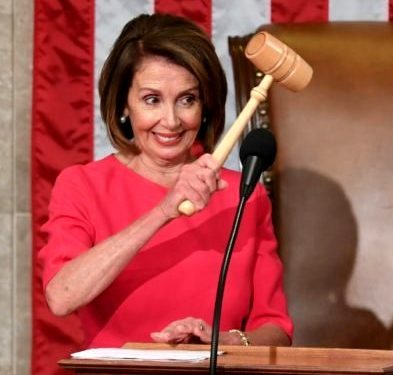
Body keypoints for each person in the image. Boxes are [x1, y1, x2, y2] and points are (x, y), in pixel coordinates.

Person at [38, 13, 292, 349]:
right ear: (124, 104)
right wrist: (163, 210)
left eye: (187, 99)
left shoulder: (245, 195)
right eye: (152, 99)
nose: (171, 121)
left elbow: (276, 329)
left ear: (205, 106)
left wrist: (222, 341)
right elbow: (61, 297)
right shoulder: (83, 185)